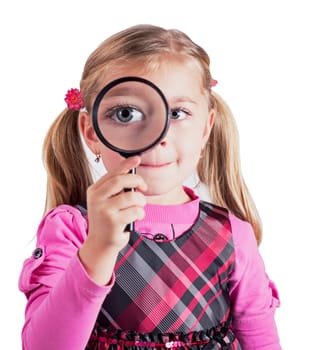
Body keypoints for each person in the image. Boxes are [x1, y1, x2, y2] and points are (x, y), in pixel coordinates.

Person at [18, 24, 281, 350]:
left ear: (205, 129)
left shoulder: (232, 235)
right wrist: (98, 249)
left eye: (178, 112)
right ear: (91, 131)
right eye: (126, 113)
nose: (157, 136)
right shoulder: (74, 229)